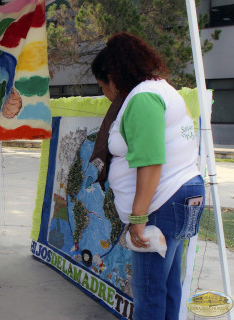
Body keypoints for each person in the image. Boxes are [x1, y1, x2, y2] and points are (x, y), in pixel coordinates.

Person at [90, 32, 205, 320]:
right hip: (178, 198)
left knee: (150, 293)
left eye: (102, 85)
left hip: (161, 205)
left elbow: (151, 163)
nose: (104, 92)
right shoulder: (160, 89)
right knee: (166, 286)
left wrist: (138, 218)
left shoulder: (143, 98)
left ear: (113, 76)